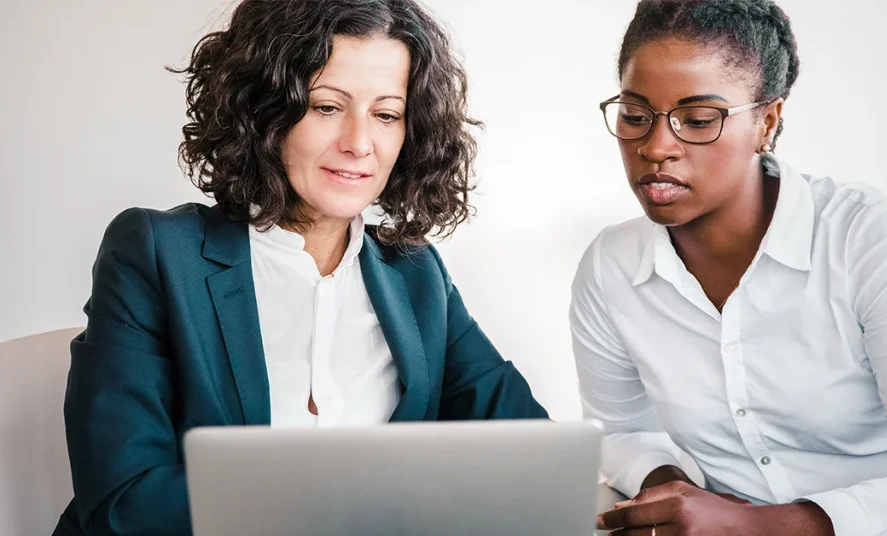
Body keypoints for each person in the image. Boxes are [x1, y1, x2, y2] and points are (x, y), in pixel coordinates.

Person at [54, 1, 547, 534]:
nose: (359, 143)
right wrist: (356, 494)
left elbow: (532, 451)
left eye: (386, 114)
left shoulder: (416, 273)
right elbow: (125, 504)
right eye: (326, 106)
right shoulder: (155, 253)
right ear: (266, 109)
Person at [573, 1, 887, 534]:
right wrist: (674, 490)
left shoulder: (866, 242)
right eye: (635, 115)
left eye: (698, 119)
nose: (656, 146)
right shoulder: (611, 267)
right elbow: (620, 431)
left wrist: (755, 525)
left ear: (767, 122)